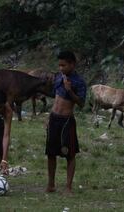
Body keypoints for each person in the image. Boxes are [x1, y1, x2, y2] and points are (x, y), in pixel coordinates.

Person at [45, 50, 86, 194]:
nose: (61, 68)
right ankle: (51, 185)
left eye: (64, 65)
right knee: (51, 153)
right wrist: (48, 118)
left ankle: (68, 186)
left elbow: (81, 103)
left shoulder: (79, 82)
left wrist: (70, 91)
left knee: (70, 154)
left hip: (67, 121)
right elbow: (55, 97)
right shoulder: (58, 78)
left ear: (72, 64)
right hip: (54, 118)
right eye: (59, 65)